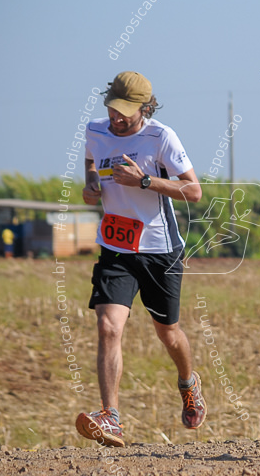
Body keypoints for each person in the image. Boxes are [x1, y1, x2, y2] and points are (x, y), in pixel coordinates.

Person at [76, 71, 205, 447]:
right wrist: (90, 185)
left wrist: (145, 182)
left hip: (159, 250)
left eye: (127, 113)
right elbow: (90, 164)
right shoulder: (94, 130)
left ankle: (188, 383)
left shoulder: (161, 137)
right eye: (113, 109)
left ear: (146, 109)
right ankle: (111, 417)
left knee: (167, 333)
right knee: (108, 327)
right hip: (116, 249)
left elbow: (194, 191)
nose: (117, 118)